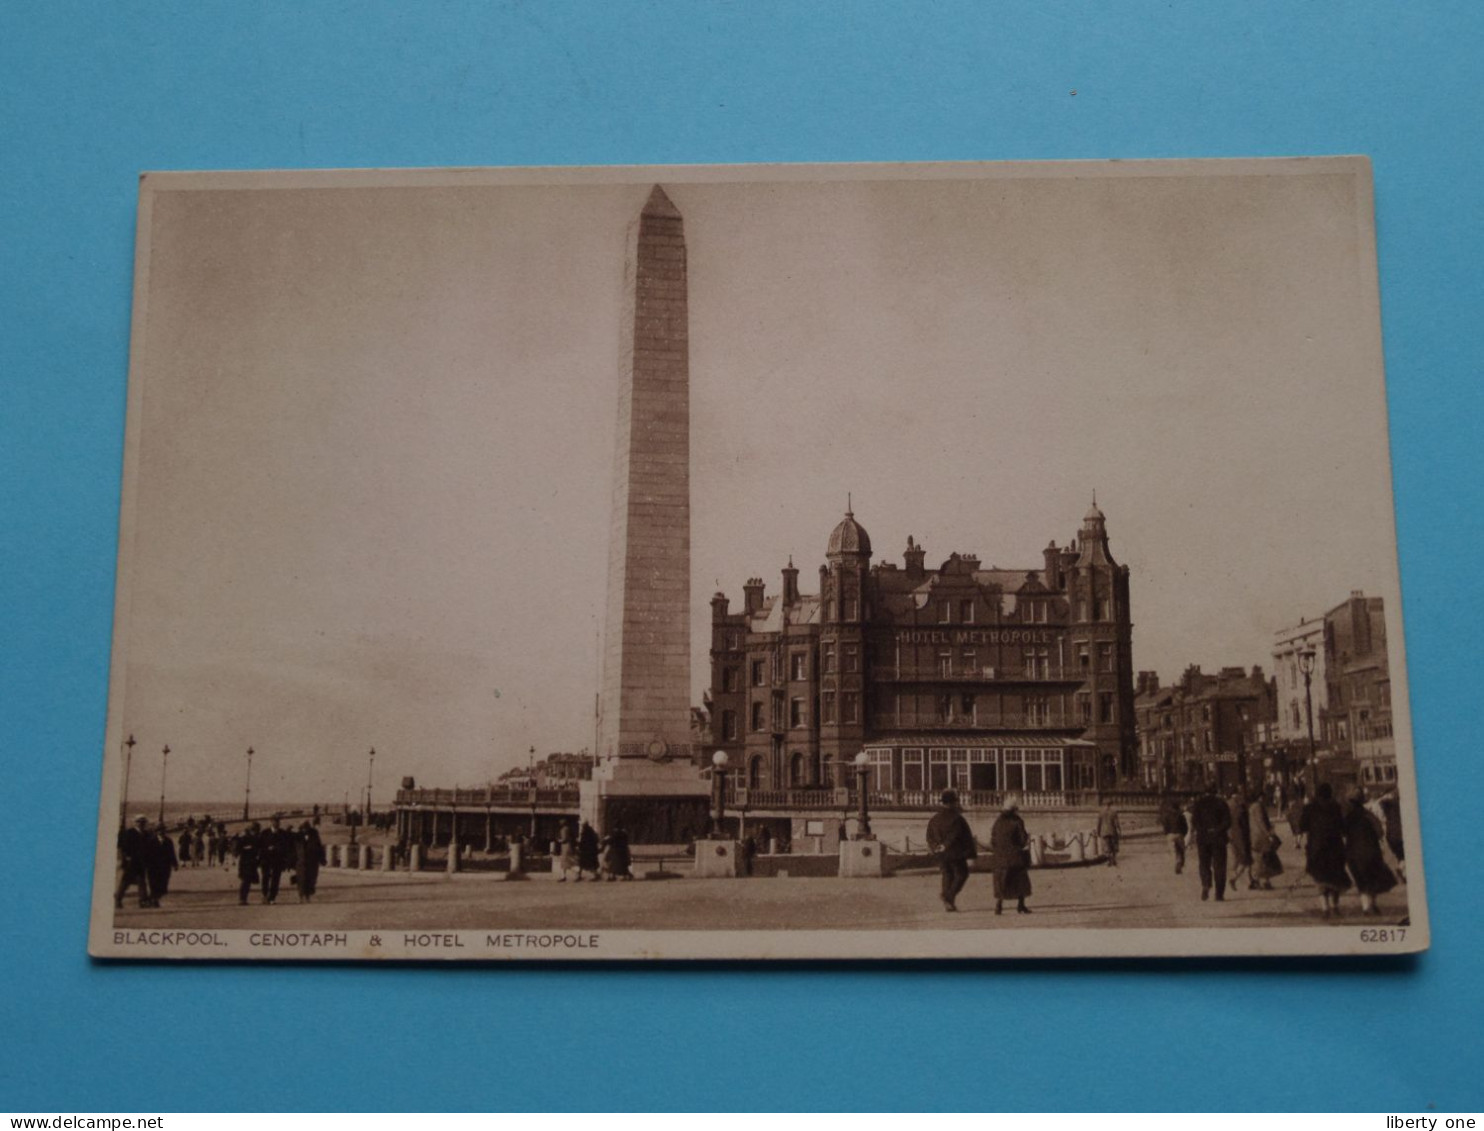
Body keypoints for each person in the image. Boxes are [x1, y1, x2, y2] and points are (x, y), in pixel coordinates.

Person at [1299, 782, 1351, 919]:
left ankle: (1325, 908)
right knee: (1335, 878)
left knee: (1320, 878)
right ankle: (1335, 907)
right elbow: (1343, 827)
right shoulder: (1336, 807)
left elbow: (1302, 826)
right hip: (1335, 848)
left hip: (1316, 849)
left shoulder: (1309, 808)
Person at [1344, 787, 1396, 917]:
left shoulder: (1348, 817)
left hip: (1353, 853)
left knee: (1361, 881)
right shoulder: (1369, 815)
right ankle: (1372, 904)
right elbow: (1380, 832)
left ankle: (1366, 907)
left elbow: (1343, 833)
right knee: (1372, 879)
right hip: (1371, 851)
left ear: (1350, 802)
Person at [926, 790, 977, 912]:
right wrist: (971, 854)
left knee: (947, 875)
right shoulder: (958, 819)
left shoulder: (934, 819)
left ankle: (949, 904)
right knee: (961, 874)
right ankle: (948, 897)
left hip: (940, 853)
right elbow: (963, 836)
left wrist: (935, 846)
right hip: (956, 853)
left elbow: (929, 836)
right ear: (953, 803)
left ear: (943, 803)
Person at [988, 794, 1032, 915]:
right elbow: (1022, 840)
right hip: (1015, 856)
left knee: (1001, 881)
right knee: (1021, 881)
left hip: (1000, 857)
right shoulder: (1017, 821)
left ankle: (999, 906)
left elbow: (993, 839)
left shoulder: (997, 822)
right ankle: (1021, 905)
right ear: (1014, 810)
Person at [1190, 784, 1232, 901]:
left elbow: (1194, 821)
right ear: (1216, 791)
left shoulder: (1198, 804)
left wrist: (1204, 830)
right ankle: (1219, 894)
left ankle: (1206, 884)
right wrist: (1217, 830)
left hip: (1203, 838)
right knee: (1220, 866)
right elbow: (1228, 821)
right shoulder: (1221, 803)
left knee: (1204, 863)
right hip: (1218, 838)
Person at [114, 815, 155, 909]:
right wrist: (126, 858)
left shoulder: (146, 834)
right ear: (135, 823)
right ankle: (118, 900)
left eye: (143, 822)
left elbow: (149, 848)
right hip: (131, 862)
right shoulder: (130, 833)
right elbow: (124, 847)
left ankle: (143, 901)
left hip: (141, 862)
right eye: (139, 822)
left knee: (142, 882)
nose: (141, 824)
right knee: (125, 882)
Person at [1248, 792, 1283, 890]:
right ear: (1260, 797)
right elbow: (1261, 822)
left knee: (1260, 859)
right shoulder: (1258, 807)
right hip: (1261, 837)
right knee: (1266, 859)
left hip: (1255, 836)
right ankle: (1264, 881)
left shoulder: (1251, 807)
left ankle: (1257, 880)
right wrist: (1269, 834)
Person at [257, 815, 288, 904]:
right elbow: (259, 846)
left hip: (278, 860)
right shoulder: (264, 833)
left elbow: (286, 847)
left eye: (278, 821)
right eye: (274, 821)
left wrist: (278, 850)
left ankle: (272, 897)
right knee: (265, 878)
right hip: (266, 859)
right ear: (271, 822)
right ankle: (265, 895)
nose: (276, 823)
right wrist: (267, 849)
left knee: (276, 879)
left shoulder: (283, 833)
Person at [1228, 790, 1253, 891]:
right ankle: (1234, 879)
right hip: (1242, 836)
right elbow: (1244, 823)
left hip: (1231, 835)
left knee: (1240, 858)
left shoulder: (1227, 804)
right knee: (1246, 860)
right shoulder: (1240, 806)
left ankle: (1251, 880)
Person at [294, 821, 325, 902]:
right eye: (304, 829)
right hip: (301, 861)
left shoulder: (314, 835)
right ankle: (301, 896)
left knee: (311, 879)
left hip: (312, 861)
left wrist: (322, 859)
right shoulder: (298, 836)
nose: (305, 830)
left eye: (307, 828)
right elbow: (294, 850)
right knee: (301, 879)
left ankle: (307, 896)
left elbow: (319, 848)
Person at [148, 822, 178, 903]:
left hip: (165, 866)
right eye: (159, 831)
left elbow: (172, 853)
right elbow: (147, 853)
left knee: (163, 884)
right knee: (154, 883)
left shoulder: (168, 841)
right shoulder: (151, 841)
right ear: (156, 831)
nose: (161, 832)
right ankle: (154, 899)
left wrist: (175, 864)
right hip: (154, 866)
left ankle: (156, 897)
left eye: (163, 830)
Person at [1379, 794, 1405, 882]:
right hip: (1400, 835)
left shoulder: (1388, 811)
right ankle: (1401, 870)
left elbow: (1382, 802)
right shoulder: (1399, 808)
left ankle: (1402, 870)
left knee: (1399, 855)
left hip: (1390, 836)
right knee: (1403, 855)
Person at [234, 823, 261, 906]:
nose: (255, 832)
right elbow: (236, 850)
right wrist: (245, 849)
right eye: (253, 830)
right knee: (245, 881)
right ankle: (242, 898)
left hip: (252, 863)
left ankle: (244, 898)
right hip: (245, 862)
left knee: (248, 881)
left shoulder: (257, 838)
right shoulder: (244, 838)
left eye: (256, 830)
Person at [1160, 796, 1189, 874]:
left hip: (1170, 834)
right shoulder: (1181, 815)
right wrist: (1184, 834)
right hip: (1179, 834)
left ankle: (1176, 861)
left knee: (1173, 851)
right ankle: (1181, 862)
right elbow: (1185, 826)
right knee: (1181, 850)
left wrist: (1166, 833)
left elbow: (1165, 825)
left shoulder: (1167, 815)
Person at [1097, 800, 1122, 867]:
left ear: (1104, 804)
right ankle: (1113, 859)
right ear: (1110, 804)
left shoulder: (1101, 812)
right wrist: (1119, 830)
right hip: (1112, 831)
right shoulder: (1113, 812)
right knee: (1113, 846)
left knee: (1107, 846)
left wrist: (1098, 831)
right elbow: (1116, 823)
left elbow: (1099, 823)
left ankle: (1109, 860)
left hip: (1104, 832)